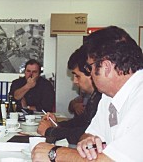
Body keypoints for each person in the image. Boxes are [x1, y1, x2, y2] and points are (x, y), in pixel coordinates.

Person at [32, 26, 143, 162]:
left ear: (106, 68)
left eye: (90, 67)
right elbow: (88, 135)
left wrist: (54, 154)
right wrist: (87, 143)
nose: (89, 74)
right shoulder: (109, 96)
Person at [37, 47, 102, 144]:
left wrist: (50, 131)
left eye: (77, 76)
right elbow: (80, 121)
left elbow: (86, 133)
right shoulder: (95, 96)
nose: (75, 81)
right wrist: (56, 124)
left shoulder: (103, 97)